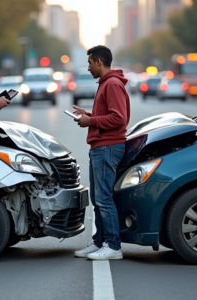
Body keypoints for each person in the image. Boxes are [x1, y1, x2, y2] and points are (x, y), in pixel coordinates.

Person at [73, 45, 130, 260]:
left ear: (99, 62)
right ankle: (99, 242)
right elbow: (109, 115)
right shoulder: (107, 84)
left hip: (107, 147)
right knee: (98, 198)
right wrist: (88, 114)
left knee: (104, 198)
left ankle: (113, 246)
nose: (88, 67)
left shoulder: (112, 84)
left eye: (89, 62)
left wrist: (91, 120)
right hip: (100, 146)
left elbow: (119, 118)